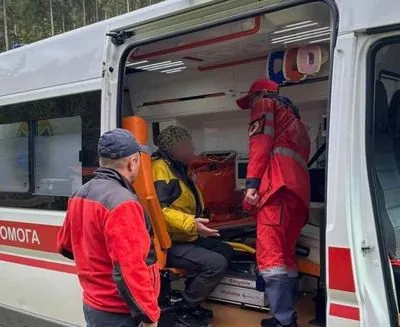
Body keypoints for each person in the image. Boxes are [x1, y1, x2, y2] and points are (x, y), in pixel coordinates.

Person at [57, 128, 160, 327]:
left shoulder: (80, 193)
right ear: (133, 162)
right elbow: (130, 269)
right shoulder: (123, 203)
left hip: (94, 305)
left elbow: (65, 245)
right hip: (120, 312)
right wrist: (149, 316)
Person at [237, 79, 311, 327]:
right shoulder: (298, 122)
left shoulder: (264, 104)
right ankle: (287, 314)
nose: (251, 107)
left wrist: (251, 187)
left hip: (276, 191)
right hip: (297, 195)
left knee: (271, 257)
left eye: (250, 102)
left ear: (258, 95)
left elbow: (259, 146)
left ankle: (282, 320)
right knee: (286, 257)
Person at [152, 125, 234, 326]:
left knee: (226, 250)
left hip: (185, 235)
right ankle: (186, 308)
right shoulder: (161, 170)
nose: (193, 147)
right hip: (169, 243)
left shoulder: (177, 167)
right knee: (216, 263)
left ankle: (191, 294)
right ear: (175, 148)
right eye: (188, 144)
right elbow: (158, 210)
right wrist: (191, 223)